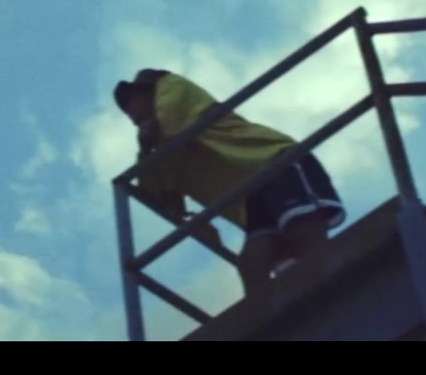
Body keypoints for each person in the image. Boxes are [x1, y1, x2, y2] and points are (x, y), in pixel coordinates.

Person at [114, 68, 346, 295]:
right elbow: (151, 192)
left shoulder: (172, 87)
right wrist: (145, 151)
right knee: (252, 264)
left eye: (131, 101)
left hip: (272, 160)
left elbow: (171, 123)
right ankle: (272, 318)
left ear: (149, 91)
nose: (131, 114)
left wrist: (159, 167)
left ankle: (331, 294)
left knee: (302, 231)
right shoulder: (161, 147)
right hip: (253, 194)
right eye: (125, 110)